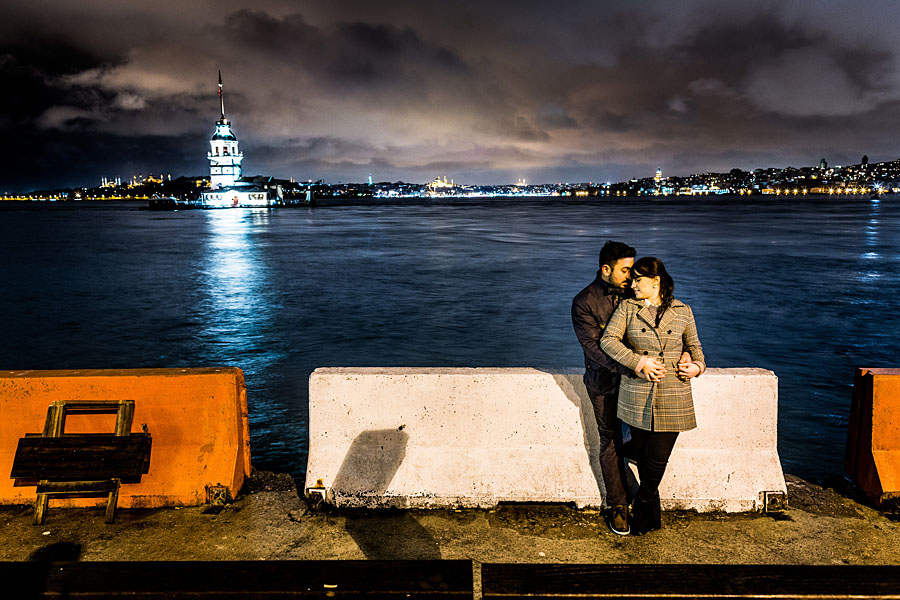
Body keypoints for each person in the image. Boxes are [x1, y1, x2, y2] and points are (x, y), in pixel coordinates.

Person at [600, 256, 705, 535]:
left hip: (674, 392)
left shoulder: (683, 311)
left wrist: (696, 367)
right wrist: (638, 362)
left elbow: (695, 347)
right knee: (648, 457)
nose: (632, 284)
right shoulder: (628, 308)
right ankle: (649, 519)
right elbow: (607, 341)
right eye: (632, 279)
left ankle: (641, 501)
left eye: (638, 279)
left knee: (657, 458)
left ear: (656, 281)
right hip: (638, 392)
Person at [571, 240, 637, 535]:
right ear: (606, 269)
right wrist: (632, 366)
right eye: (625, 270)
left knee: (644, 441)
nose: (631, 275)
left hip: (639, 383)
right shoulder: (584, 301)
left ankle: (643, 497)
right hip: (604, 383)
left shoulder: (638, 292)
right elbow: (593, 349)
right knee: (609, 440)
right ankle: (618, 505)